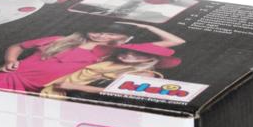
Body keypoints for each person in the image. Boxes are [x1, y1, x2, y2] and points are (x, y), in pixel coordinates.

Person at [0, 23, 184, 94]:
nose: (101, 36)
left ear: (122, 38)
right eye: (97, 31)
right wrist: (10, 61)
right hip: (10, 77)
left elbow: (175, 41)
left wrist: (144, 26)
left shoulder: (111, 51)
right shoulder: (60, 39)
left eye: (109, 34)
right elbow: (18, 46)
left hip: (42, 88)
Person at [40, 43, 182, 98]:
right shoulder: (112, 61)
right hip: (54, 85)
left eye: (138, 54)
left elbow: (119, 93)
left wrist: (73, 87)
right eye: (125, 52)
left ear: (150, 58)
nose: (129, 56)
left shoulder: (146, 74)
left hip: (68, 93)